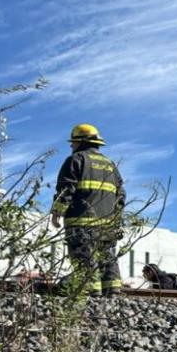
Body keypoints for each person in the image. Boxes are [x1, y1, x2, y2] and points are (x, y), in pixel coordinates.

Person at [50, 123, 125, 297]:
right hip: (107, 227)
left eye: (74, 142)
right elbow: (120, 196)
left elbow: (66, 189)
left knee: (86, 262)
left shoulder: (75, 160)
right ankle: (113, 294)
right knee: (107, 261)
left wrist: (57, 213)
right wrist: (115, 221)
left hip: (81, 225)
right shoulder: (111, 165)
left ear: (82, 142)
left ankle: (93, 298)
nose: (71, 146)